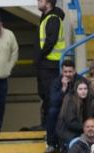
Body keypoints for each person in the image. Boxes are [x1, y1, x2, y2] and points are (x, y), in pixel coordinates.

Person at [35, 0, 65, 128]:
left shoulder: (53, 19)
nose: (37, 2)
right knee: (45, 95)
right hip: (46, 64)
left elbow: (50, 40)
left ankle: (48, 127)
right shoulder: (46, 18)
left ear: (48, 3)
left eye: (40, 0)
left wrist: (40, 56)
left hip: (50, 64)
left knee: (49, 96)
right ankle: (46, 125)